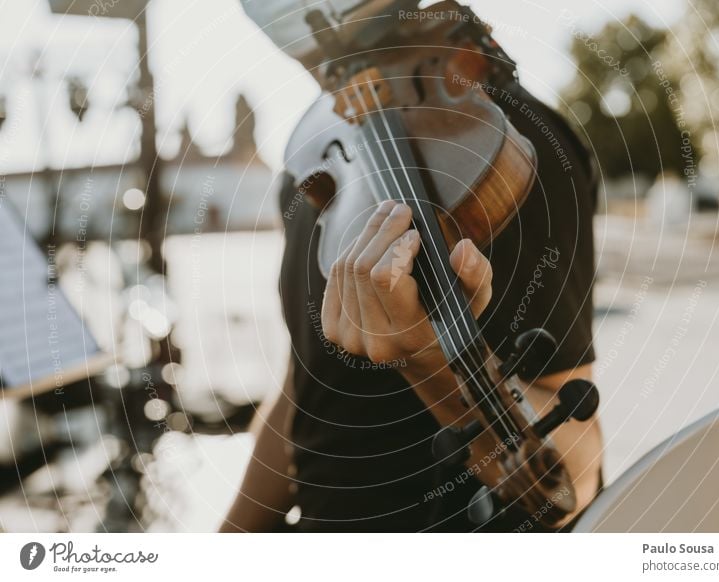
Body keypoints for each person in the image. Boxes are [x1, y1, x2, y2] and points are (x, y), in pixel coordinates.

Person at [221, 42, 602, 536]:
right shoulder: (314, 158)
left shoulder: (503, 138)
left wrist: (429, 363)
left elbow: (578, 472)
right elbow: (305, 387)